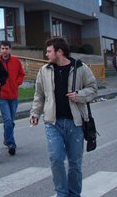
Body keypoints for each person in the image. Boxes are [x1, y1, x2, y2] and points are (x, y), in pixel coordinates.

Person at [30, 37, 98, 197]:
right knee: (56, 159)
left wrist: (79, 95)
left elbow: (93, 88)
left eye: (49, 51)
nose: (46, 54)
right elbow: (39, 94)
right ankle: (61, 193)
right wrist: (35, 113)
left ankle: (74, 194)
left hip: (76, 123)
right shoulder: (44, 70)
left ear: (59, 52)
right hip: (53, 123)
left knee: (75, 163)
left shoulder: (80, 68)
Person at [0, 40, 26, 156]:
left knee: (11, 121)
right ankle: (11, 143)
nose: (4, 50)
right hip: (2, 96)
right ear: (0, 49)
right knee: (8, 120)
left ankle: (6, 138)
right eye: (2, 48)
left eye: (6, 48)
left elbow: (21, 74)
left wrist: (16, 83)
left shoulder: (15, 61)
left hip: (14, 95)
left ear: (10, 49)